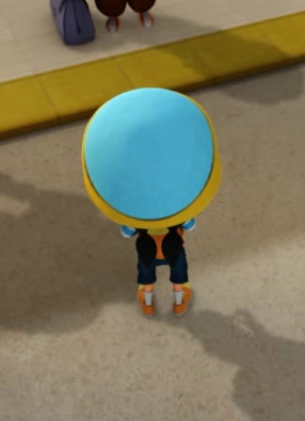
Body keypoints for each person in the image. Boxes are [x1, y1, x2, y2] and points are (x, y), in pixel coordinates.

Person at [81, 88, 222, 317]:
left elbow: (126, 233)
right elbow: (191, 225)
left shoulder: (133, 220)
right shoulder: (183, 213)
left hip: (147, 250)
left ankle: (147, 298)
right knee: (179, 272)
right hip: (173, 248)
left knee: (146, 275)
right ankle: (180, 295)